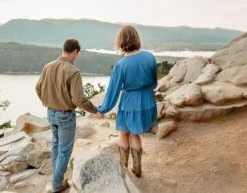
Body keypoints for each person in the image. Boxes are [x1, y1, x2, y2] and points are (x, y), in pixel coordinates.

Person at [35, 38, 99, 193]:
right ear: (75, 52)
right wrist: (95, 110)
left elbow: (38, 87)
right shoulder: (73, 71)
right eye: (77, 54)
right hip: (65, 116)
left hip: (50, 113)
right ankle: (57, 185)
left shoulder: (48, 67)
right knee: (64, 151)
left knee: (56, 147)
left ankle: (57, 180)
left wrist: (45, 100)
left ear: (63, 49)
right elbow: (78, 99)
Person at [97, 25, 158, 177]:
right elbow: (154, 82)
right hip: (147, 100)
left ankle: (123, 169)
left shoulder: (121, 65)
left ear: (120, 42)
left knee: (124, 133)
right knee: (135, 134)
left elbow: (113, 92)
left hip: (130, 103)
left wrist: (102, 109)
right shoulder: (150, 57)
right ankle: (137, 169)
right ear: (136, 38)